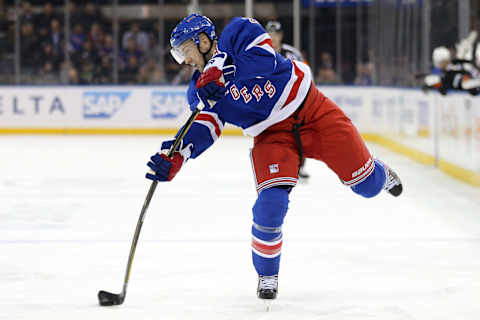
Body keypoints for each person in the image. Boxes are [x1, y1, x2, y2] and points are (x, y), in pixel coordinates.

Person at [146, 14, 403, 302]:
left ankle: (379, 173)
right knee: (270, 205)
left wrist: (223, 70)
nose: (184, 60)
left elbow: (264, 60)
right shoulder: (199, 90)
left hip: (312, 111)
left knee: (366, 186)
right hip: (272, 136)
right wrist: (177, 155)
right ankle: (267, 274)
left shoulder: (239, 31)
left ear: (203, 41)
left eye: (185, 51)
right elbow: (205, 127)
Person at [265, 20, 310, 180]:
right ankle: (274, 166)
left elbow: (306, 74)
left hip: (293, 101)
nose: (273, 38)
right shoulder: (259, 54)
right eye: (270, 35)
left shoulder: (293, 54)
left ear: (281, 36)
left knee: (298, 133)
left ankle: (299, 166)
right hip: (270, 104)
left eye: (276, 34)